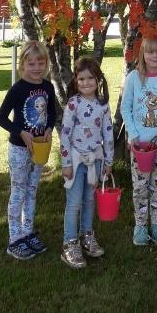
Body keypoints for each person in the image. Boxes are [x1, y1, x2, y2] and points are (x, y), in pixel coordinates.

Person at [0, 40, 56, 260]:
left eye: (41, 63)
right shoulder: (18, 89)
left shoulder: (47, 87)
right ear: (23, 65)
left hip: (39, 149)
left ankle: (28, 232)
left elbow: (52, 112)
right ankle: (14, 239)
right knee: (18, 192)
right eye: (31, 63)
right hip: (20, 149)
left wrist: (49, 128)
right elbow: (1, 118)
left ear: (46, 64)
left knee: (32, 191)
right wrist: (21, 132)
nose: (37, 68)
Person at [121, 37, 157, 246]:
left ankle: (156, 223)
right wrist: (133, 134)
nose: (155, 56)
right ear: (142, 54)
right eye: (150, 52)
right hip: (139, 145)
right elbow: (125, 108)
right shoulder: (134, 78)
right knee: (140, 186)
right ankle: (140, 225)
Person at [60, 57, 114, 269]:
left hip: (95, 162)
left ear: (98, 79)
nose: (85, 82)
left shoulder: (102, 105)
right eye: (81, 78)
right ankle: (70, 243)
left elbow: (108, 135)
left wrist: (108, 161)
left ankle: (87, 236)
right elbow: (65, 135)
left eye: (90, 78)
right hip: (74, 161)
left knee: (90, 201)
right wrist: (66, 163)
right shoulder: (73, 104)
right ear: (75, 80)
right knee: (73, 203)